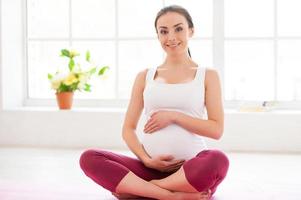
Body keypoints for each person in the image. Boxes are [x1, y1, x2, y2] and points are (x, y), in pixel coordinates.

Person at [80, 5, 229, 200]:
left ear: (191, 31)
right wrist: (146, 160)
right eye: (163, 31)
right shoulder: (145, 76)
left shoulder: (208, 75)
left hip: (190, 171)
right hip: (148, 168)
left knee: (218, 160)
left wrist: (174, 116)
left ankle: (144, 190)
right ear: (158, 36)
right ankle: (172, 196)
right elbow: (128, 129)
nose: (171, 37)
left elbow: (216, 130)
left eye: (178, 29)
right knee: (90, 158)